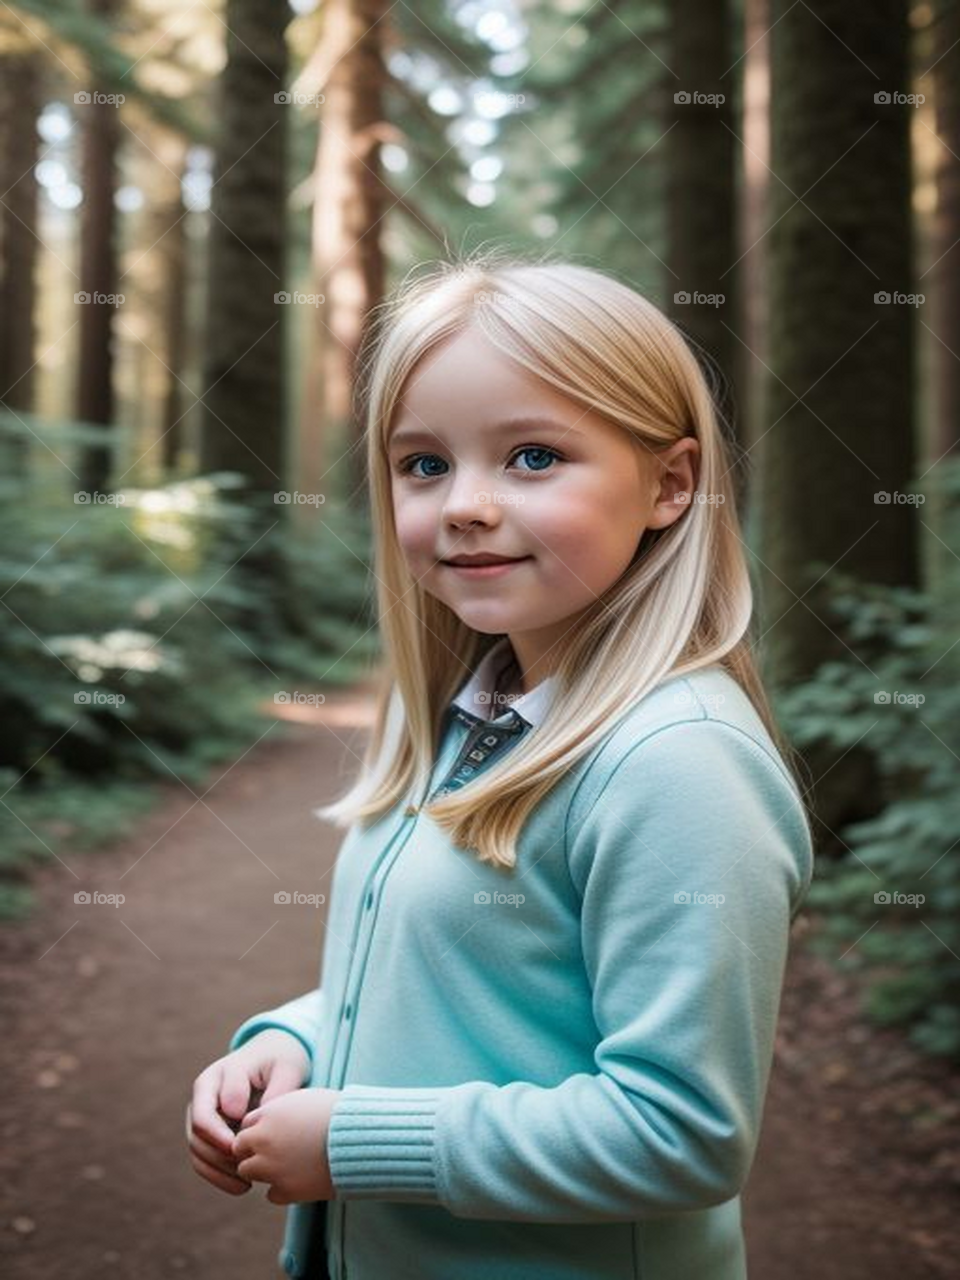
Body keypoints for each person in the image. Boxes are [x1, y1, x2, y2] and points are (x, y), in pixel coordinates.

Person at [187, 253, 814, 1280]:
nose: (465, 504)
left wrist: (355, 1137)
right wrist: (295, 1042)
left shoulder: (681, 764)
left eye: (531, 456)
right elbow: (450, 986)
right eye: (424, 464)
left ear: (670, 483)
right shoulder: (473, 713)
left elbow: (682, 1131)